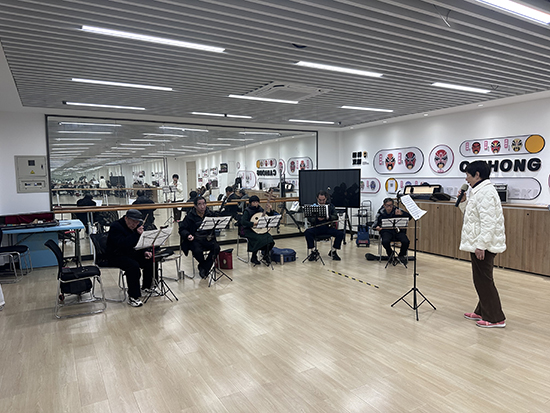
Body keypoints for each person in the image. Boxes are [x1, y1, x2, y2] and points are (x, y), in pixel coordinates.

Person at [458, 160, 506, 328]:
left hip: (484, 245)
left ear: (477, 175)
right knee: (480, 280)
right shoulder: (478, 191)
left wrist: (481, 245)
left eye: (468, 175)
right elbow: (472, 217)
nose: (466, 179)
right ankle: (482, 311)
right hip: (479, 242)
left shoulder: (486, 192)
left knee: (484, 281)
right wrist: (463, 202)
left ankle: (495, 318)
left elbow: (489, 222)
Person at [106, 209, 158, 307]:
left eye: (137, 222)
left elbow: (141, 242)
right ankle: (133, 296)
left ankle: (147, 286)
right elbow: (122, 244)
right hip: (116, 255)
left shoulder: (138, 226)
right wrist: (136, 234)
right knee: (133, 266)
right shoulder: (116, 227)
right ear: (126, 218)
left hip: (131, 252)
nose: (135, 224)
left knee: (150, 259)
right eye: (133, 221)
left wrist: (145, 251)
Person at [178, 196, 221, 279]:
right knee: (197, 251)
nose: (202, 206)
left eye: (204, 204)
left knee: (216, 248)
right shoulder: (190, 216)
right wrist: (188, 235)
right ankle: (204, 267)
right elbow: (182, 229)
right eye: (199, 204)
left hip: (207, 238)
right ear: (195, 206)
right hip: (195, 239)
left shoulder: (210, 214)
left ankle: (203, 267)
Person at [304, 190, 344, 261]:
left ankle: (333, 251)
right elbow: (310, 219)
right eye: (320, 200)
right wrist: (317, 219)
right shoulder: (313, 206)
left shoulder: (330, 206)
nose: (322, 202)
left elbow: (336, 217)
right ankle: (313, 251)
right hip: (316, 228)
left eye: (323, 200)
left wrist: (328, 217)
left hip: (327, 228)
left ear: (326, 198)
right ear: (317, 198)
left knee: (340, 234)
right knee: (307, 232)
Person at [373, 197, 411, 262]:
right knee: (385, 241)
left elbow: (409, 217)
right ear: (384, 205)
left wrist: (402, 214)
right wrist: (377, 227)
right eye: (387, 205)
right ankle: (390, 254)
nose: (389, 207)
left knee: (406, 241)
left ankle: (401, 255)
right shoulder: (380, 213)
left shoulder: (398, 210)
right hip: (386, 231)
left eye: (391, 205)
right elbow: (375, 224)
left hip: (398, 231)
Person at [241, 195, 276, 266]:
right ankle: (254, 257)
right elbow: (243, 222)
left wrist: (271, 209)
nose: (255, 203)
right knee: (259, 239)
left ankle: (266, 255)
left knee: (269, 238)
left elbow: (268, 216)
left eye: (257, 202)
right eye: (254, 202)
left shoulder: (260, 209)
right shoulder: (247, 211)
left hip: (259, 229)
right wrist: (253, 223)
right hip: (249, 230)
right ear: (250, 203)